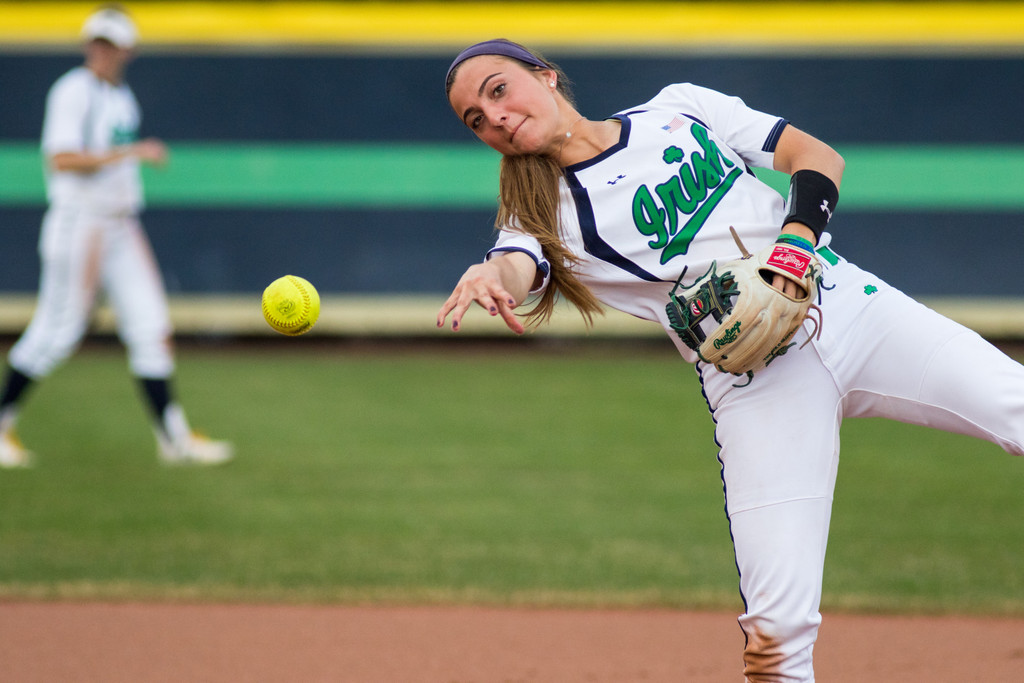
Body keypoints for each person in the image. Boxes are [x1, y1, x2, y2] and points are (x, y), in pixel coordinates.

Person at [437, 39, 1024, 681]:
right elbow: (519, 262)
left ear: (545, 76)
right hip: (756, 382)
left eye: (498, 90)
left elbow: (815, 157)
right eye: (475, 120)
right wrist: (491, 273)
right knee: (778, 627)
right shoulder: (539, 214)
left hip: (850, 306)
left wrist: (794, 248)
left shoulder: (678, 111)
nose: (493, 117)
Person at [0, 5, 232, 468]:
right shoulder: (74, 90)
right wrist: (132, 151)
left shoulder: (121, 96)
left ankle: (173, 437)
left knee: (150, 326)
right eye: (96, 42)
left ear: (128, 50)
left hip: (120, 224)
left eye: (110, 44)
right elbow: (61, 159)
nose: (101, 51)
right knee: (57, 329)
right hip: (79, 222)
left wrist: (130, 161)